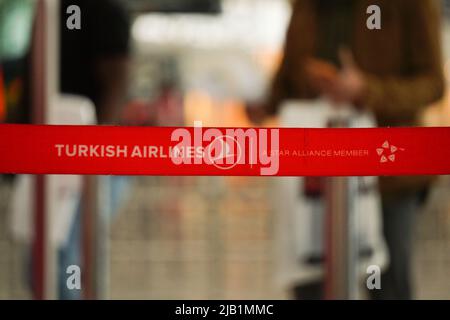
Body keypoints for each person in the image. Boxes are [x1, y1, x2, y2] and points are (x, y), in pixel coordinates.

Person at [249, 0, 445, 299]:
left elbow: (433, 83)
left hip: (389, 173)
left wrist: (367, 90)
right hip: (315, 171)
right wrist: (266, 103)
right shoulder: (307, 7)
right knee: (309, 277)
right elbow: (288, 74)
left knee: (385, 281)